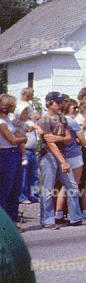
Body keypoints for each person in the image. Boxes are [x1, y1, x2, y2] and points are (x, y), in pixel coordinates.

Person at [38, 92, 86, 228]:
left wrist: (58, 138)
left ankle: (75, 217)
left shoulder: (61, 119)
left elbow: (68, 138)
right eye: (58, 102)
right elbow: (50, 143)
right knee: (48, 188)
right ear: (50, 103)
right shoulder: (44, 120)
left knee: (72, 185)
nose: (61, 105)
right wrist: (63, 162)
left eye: (61, 102)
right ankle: (47, 220)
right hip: (49, 156)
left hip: (62, 155)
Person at [54, 97, 86, 224]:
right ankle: (75, 216)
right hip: (74, 155)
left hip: (63, 156)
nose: (76, 110)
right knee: (74, 186)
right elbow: (84, 142)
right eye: (74, 107)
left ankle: (59, 214)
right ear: (68, 108)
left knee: (65, 186)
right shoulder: (72, 121)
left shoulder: (59, 120)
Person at [0, 94, 28, 231]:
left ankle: (12, 222)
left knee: (15, 189)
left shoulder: (8, 120)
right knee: (5, 190)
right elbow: (11, 140)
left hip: (14, 154)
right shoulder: (1, 122)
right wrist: (24, 139)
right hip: (5, 154)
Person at [16, 104, 40, 204]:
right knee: (24, 175)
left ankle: (34, 195)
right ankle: (22, 196)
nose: (26, 114)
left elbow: (34, 124)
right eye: (23, 112)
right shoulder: (18, 123)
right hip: (23, 151)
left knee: (34, 175)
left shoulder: (29, 122)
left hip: (32, 151)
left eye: (27, 112)